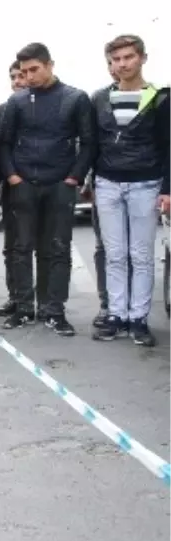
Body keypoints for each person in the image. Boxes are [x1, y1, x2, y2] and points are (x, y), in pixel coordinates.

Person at [0, 42, 94, 336]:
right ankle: (24, 308)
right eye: (24, 71)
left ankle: (54, 311)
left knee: (58, 249)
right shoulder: (16, 103)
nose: (28, 76)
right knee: (21, 248)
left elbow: (89, 142)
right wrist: (13, 176)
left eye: (34, 69)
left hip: (60, 184)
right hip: (24, 183)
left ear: (50, 65)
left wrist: (74, 178)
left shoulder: (75, 98)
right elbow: (3, 143)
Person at [90, 35, 171, 345]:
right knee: (114, 254)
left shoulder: (161, 98)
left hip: (146, 184)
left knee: (141, 255)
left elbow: (168, 146)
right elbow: (93, 144)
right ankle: (116, 315)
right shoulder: (99, 98)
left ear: (142, 58)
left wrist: (168, 188)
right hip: (107, 183)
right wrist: (91, 181)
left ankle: (139, 318)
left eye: (128, 57)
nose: (122, 64)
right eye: (116, 59)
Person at [0, 61, 28, 317]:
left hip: (41, 183)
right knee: (12, 247)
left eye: (22, 76)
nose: (18, 81)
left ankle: (41, 303)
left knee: (42, 247)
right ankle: (16, 298)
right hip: (11, 184)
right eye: (13, 77)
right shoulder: (4, 109)